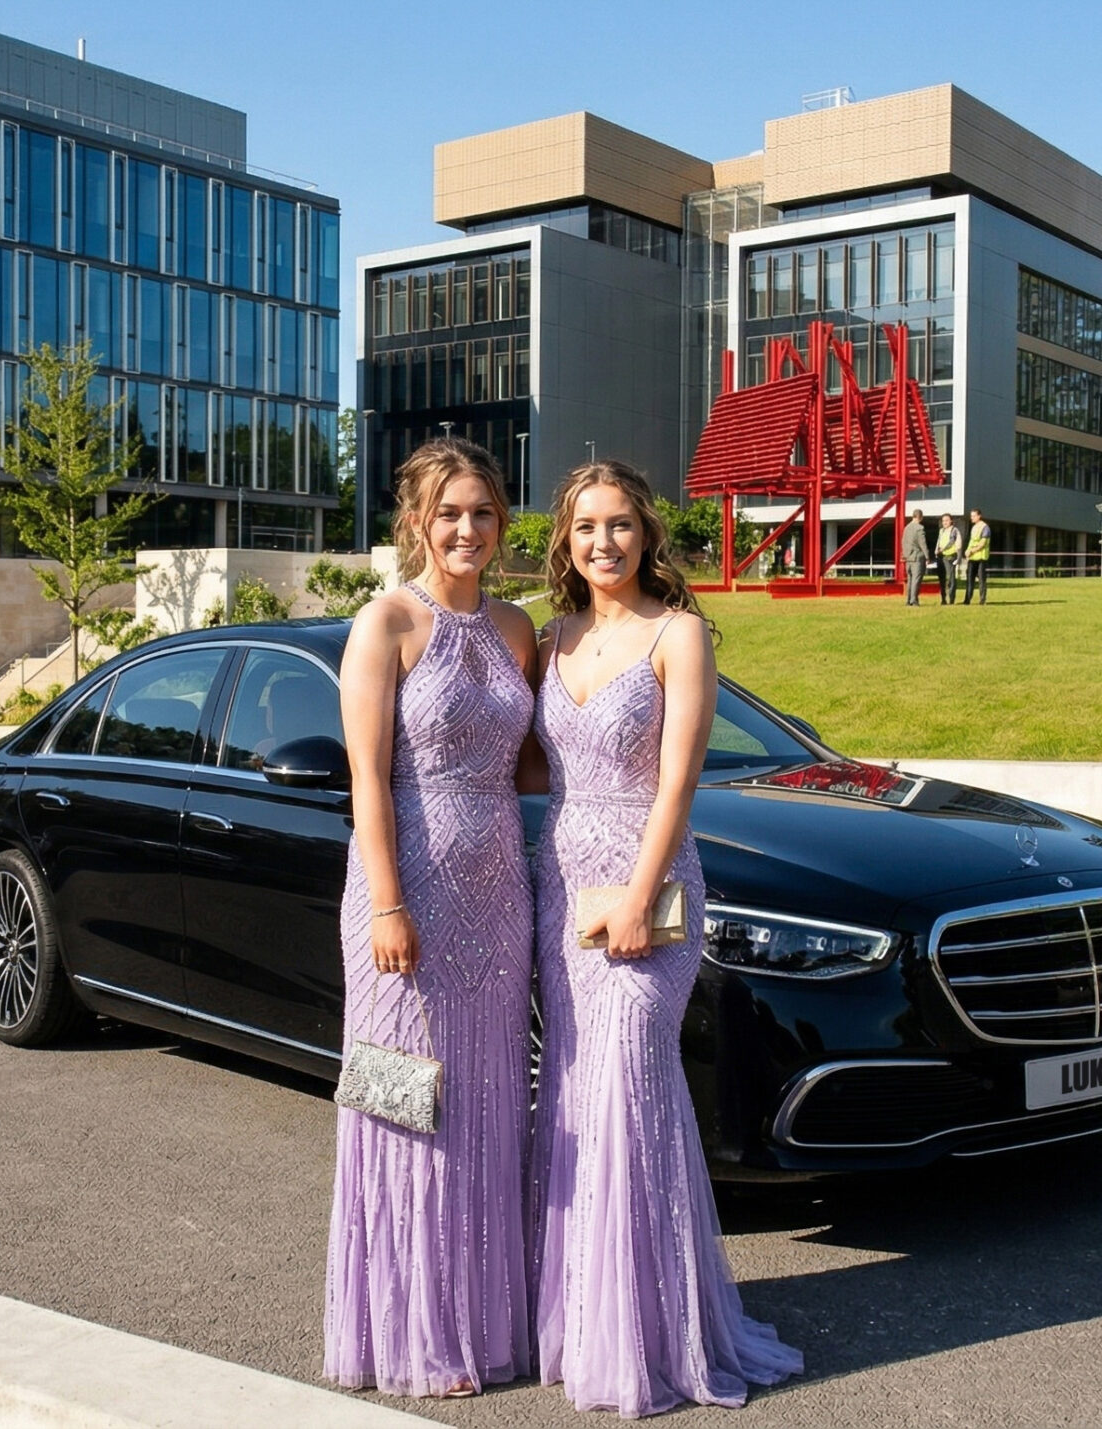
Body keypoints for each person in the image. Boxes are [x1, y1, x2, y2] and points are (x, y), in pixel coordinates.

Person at [529, 460, 801, 1416]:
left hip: (652, 886)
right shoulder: (551, 635)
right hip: (562, 891)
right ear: (564, 539)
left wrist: (642, 895)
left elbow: (679, 785)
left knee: (631, 1082)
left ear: (646, 533)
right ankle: (588, 1318)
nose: (603, 542)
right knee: (576, 1086)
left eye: (619, 525)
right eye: (584, 526)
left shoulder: (679, 633)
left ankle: (654, 1329)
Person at [326, 439, 541, 1400]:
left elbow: (539, 759)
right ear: (417, 519)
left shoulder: (520, 628)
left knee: (489, 1109)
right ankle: (411, 1327)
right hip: (400, 899)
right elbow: (367, 778)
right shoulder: (386, 623)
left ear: (501, 525)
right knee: (408, 1106)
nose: (467, 529)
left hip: (500, 906)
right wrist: (386, 901)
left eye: (483, 513)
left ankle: (487, 1319)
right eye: (449, 512)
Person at [963, 510, 991, 604]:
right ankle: (967, 600)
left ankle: (982, 600)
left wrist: (971, 551)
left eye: (974, 516)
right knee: (969, 579)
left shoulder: (985, 527)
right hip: (972, 558)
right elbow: (971, 542)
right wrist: (967, 551)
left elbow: (982, 543)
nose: (972, 518)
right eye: (971, 516)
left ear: (979, 516)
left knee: (981, 579)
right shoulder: (974, 527)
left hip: (981, 558)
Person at [900, 515, 928, 605]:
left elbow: (903, 542)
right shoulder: (919, 528)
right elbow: (922, 543)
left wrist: (905, 554)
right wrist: (927, 556)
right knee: (916, 580)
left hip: (908, 557)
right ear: (920, 517)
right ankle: (914, 600)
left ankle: (908, 600)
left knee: (910, 579)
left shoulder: (906, 528)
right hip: (917, 557)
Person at [934, 511, 960, 603]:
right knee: (942, 579)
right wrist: (936, 551)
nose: (944, 522)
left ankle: (951, 599)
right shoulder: (941, 530)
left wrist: (943, 549)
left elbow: (951, 542)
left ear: (951, 521)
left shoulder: (954, 530)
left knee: (950, 579)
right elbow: (939, 541)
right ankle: (943, 599)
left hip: (950, 557)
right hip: (941, 557)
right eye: (943, 521)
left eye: (947, 520)